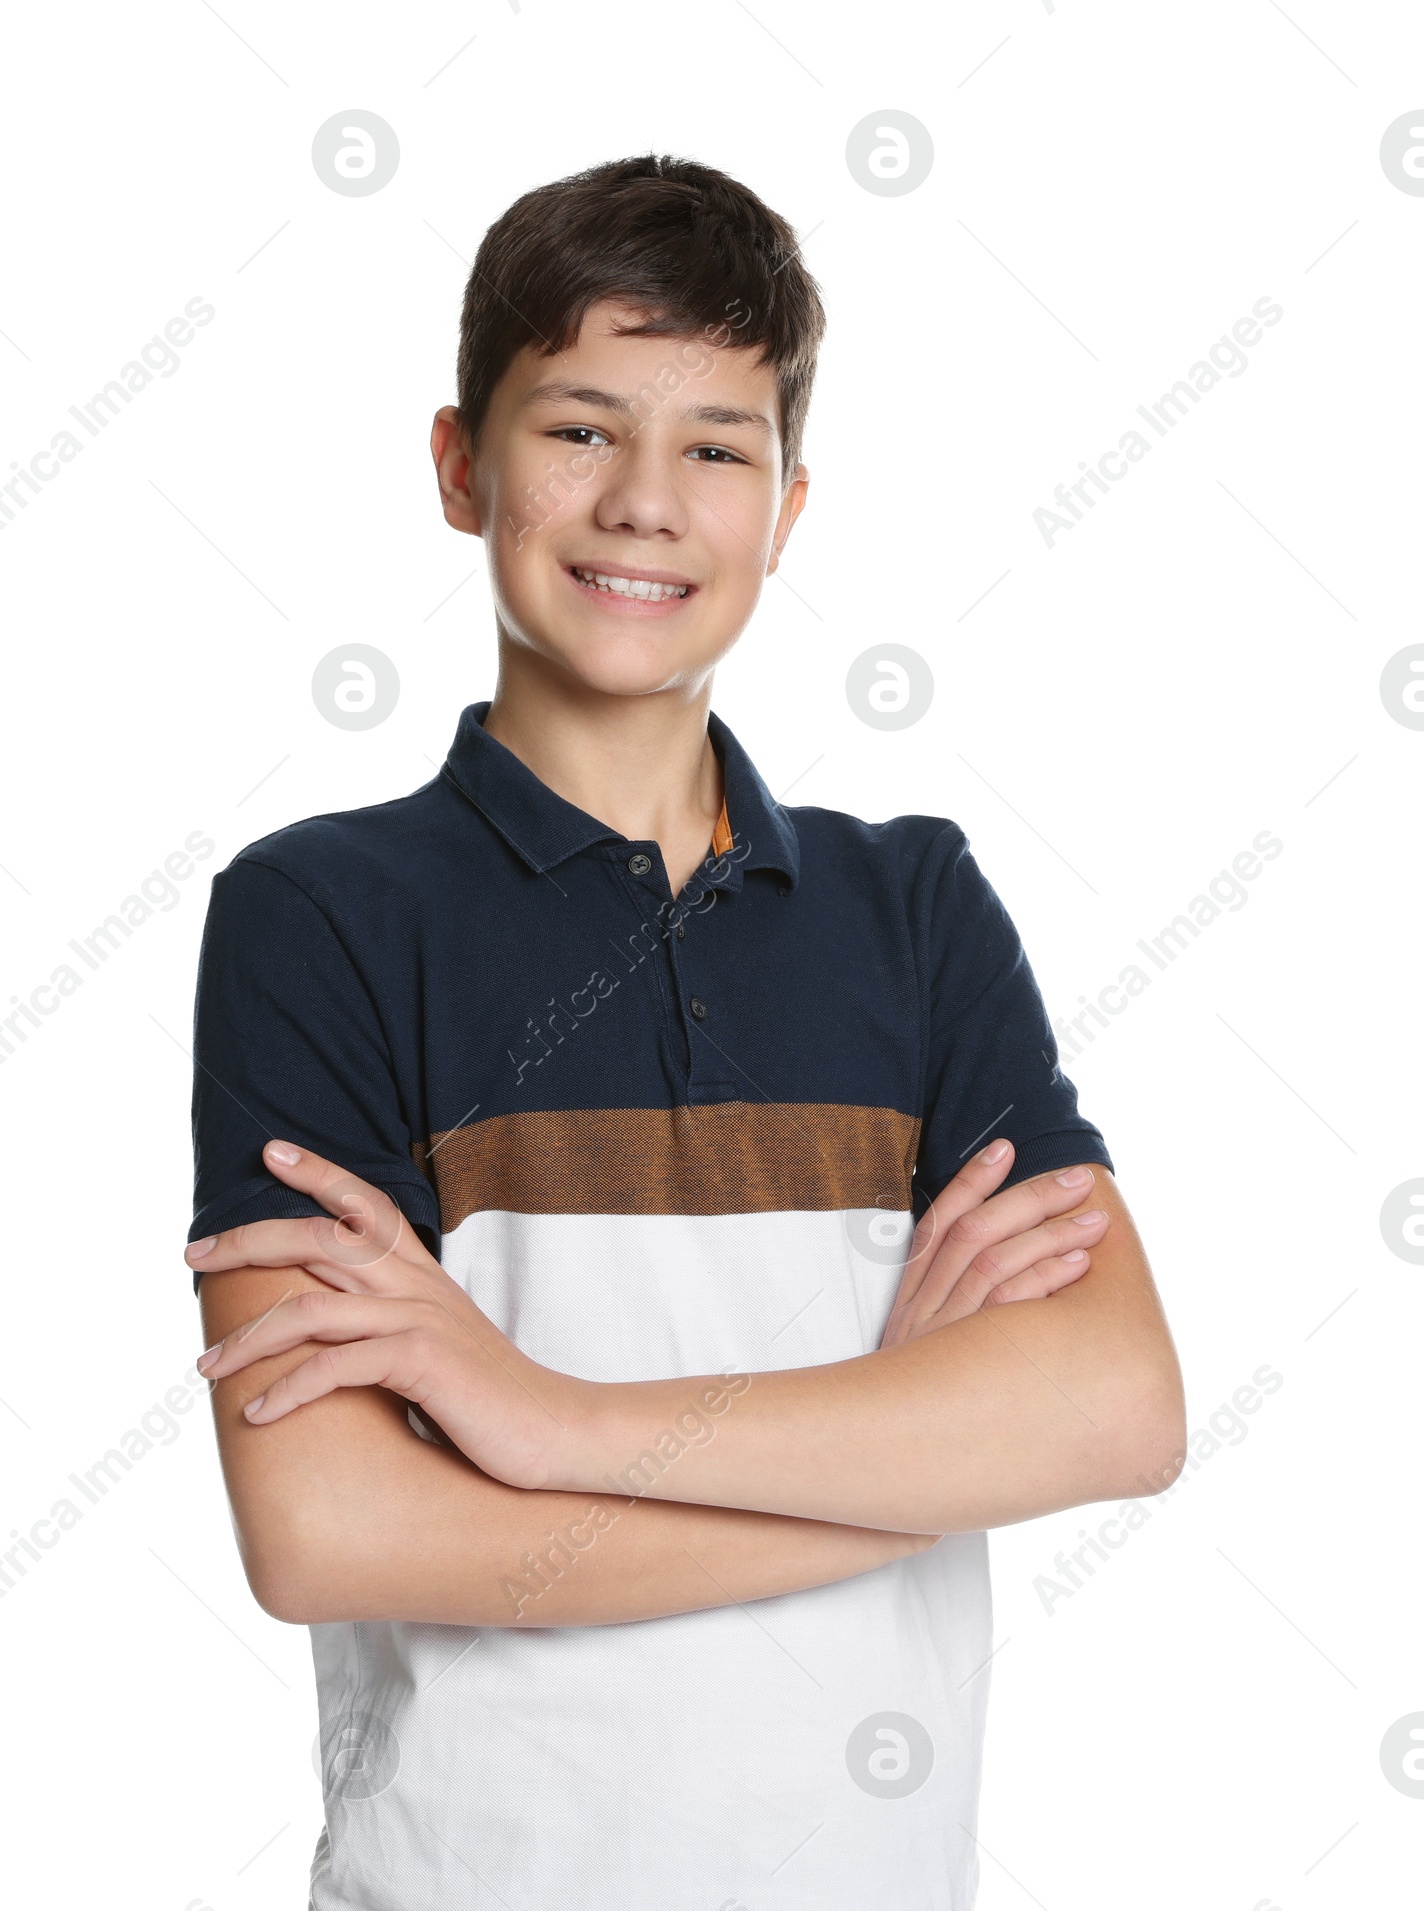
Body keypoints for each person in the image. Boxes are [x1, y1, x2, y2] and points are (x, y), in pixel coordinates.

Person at [183, 153, 1185, 1911]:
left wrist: (549, 1425)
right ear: (457, 464)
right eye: (580, 429)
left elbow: (1113, 1412)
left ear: (789, 507)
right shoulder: (321, 913)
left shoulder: (915, 904)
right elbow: (331, 1529)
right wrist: (897, 1458)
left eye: (718, 447)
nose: (646, 502)